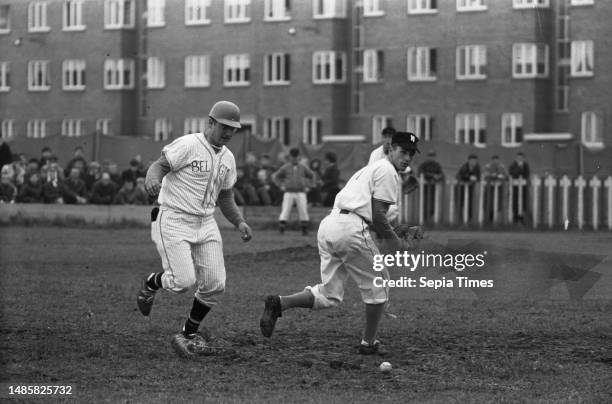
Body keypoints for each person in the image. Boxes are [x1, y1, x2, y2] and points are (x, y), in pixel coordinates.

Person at [260, 132, 421, 355]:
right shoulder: (387, 170)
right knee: (380, 282)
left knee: (329, 295)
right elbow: (378, 214)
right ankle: (369, 343)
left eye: (411, 154)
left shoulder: (368, 170)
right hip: (350, 228)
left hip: (330, 225)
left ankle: (279, 303)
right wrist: (397, 244)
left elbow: (372, 217)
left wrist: (395, 233)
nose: (407, 158)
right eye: (403, 151)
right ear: (390, 148)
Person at [135, 100, 253, 358]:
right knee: (182, 282)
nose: (229, 132)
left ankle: (187, 333)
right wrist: (152, 178)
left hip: (206, 223)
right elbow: (159, 166)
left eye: (233, 128)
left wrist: (239, 221)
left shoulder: (228, 159)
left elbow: (226, 197)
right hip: (174, 218)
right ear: (210, 122)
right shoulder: (189, 144)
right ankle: (151, 283)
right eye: (224, 126)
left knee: (215, 283)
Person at [271, 147, 315, 235]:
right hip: (289, 191)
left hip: (301, 191)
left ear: (299, 157)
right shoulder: (285, 167)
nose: (294, 158)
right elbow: (275, 176)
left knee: (303, 210)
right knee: (285, 209)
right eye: (293, 156)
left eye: (296, 156)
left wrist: (309, 186)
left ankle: (304, 230)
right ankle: (281, 229)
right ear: (290, 157)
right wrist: (281, 185)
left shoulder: (303, 167)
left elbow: (312, 175)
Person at [417, 151, 445, 220]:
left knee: (433, 203)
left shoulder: (437, 165)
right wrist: (432, 176)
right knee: (425, 203)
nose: (432, 158)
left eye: (433, 156)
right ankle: (424, 219)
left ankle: (430, 218)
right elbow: (420, 173)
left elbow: (442, 175)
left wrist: (438, 177)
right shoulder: (423, 165)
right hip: (425, 188)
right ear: (427, 157)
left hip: (434, 188)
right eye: (430, 156)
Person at [456, 154, 481, 222]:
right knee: (460, 203)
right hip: (461, 187)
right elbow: (459, 175)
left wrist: (474, 179)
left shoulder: (477, 167)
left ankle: (469, 219)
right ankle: (459, 219)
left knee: (470, 203)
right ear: (469, 160)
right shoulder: (464, 166)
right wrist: (469, 177)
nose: (473, 162)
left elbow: (478, 177)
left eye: (475, 161)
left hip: (470, 187)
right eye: (472, 160)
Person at [483, 155, 508, 222]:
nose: (495, 162)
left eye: (497, 160)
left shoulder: (502, 167)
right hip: (489, 188)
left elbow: (506, 176)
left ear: (499, 160)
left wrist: (500, 176)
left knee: (498, 203)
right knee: (489, 202)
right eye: (494, 160)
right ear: (491, 160)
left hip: (499, 188)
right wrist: (491, 175)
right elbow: (485, 175)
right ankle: (488, 219)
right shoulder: (487, 167)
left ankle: (498, 219)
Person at [508, 152, 530, 223]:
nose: (520, 160)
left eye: (521, 158)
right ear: (516, 158)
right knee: (515, 201)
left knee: (523, 201)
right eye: (518, 158)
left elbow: (527, 174)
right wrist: (519, 168)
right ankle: (515, 217)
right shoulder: (513, 165)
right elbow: (512, 173)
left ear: (523, 158)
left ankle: (522, 217)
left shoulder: (526, 165)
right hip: (514, 187)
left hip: (523, 187)